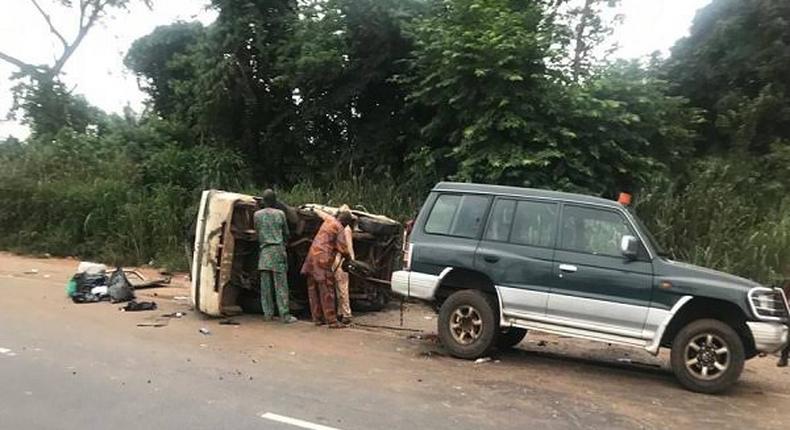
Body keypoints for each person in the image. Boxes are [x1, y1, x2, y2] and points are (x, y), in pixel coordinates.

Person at [301, 207, 353, 328]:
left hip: (311, 257)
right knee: (327, 290)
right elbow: (343, 248)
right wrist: (349, 260)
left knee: (313, 288)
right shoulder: (339, 227)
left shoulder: (329, 221)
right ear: (345, 223)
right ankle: (332, 321)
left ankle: (317, 318)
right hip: (323, 259)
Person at [254, 189, 297, 324]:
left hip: (264, 253)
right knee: (281, 286)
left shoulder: (257, 215)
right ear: (274, 201)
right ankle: (284, 315)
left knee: (265, 286)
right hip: (278, 251)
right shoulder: (280, 214)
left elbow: (257, 231)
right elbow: (286, 233)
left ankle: (268, 314)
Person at [333, 208, 356, 325]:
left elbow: (348, 247)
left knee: (342, 288)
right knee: (339, 288)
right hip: (340, 259)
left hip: (342, 260)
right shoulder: (342, 228)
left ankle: (346, 313)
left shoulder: (345, 230)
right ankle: (340, 312)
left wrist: (351, 260)